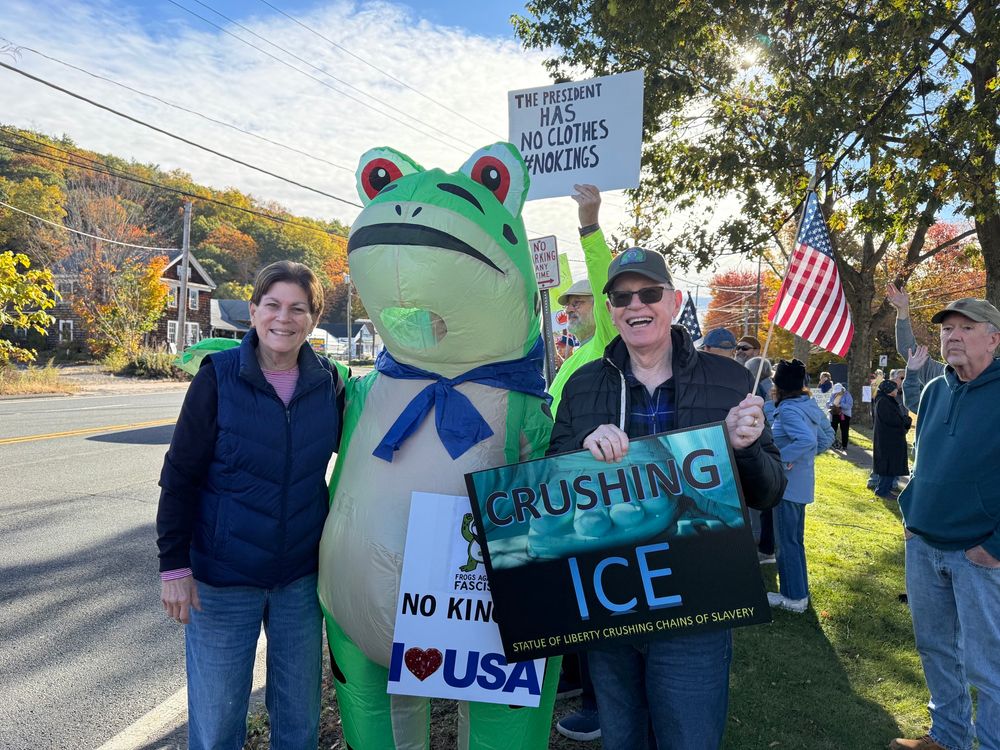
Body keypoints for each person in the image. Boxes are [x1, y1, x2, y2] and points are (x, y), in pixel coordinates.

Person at [549, 247, 786, 750]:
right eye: (621, 296)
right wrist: (581, 455)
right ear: (612, 310)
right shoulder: (583, 384)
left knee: (687, 737)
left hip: (696, 599)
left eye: (649, 293)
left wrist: (741, 450)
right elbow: (552, 478)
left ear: (674, 301)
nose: (636, 304)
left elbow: (769, 491)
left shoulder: (731, 382)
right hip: (610, 595)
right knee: (622, 738)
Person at [156, 261, 345, 750]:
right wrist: (174, 567)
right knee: (217, 726)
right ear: (254, 310)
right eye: (273, 305)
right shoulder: (217, 378)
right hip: (223, 578)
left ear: (313, 317)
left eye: (298, 308)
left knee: (298, 724)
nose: (284, 318)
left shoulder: (329, 384)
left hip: (298, 581)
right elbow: (180, 474)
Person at [891, 297, 1000, 750]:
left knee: (989, 665)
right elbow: (925, 460)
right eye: (945, 329)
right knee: (935, 650)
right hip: (924, 543)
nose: (951, 336)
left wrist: (995, 545)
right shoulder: (936, 389)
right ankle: (948, 737)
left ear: (994, 338)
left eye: (964, 328)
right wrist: (912, 513)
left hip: (981, 554)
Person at [547, 184, 617, 742]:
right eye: (566, 303)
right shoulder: (574, 357)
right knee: (571, 593)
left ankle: (599, 705)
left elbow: (602, 278)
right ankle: (573, 674)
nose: (571, 307)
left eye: (580, 300)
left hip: (600, 497)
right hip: (564, 487)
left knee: (598, 603)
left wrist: (589, 225)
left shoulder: (608, 346)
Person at [767, 359, 835, 613]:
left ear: (779, 385)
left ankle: (793, 597)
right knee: (793, 540)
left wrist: (783, 460)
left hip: (789, 486)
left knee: (787, 542)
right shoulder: (808, 405)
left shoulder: (787, 409)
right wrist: (802, 458)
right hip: (800, 483)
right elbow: (826, 437)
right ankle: (797, 592)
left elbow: (806, 440)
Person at [887, 282, 946, 398]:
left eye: (967, 328)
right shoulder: (942, 374)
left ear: (992, 339)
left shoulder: (992, 383)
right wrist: (902, 310)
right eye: (948, 329)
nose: (954, 336)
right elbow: (907, 349)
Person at [745, 356, 776, 564]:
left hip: (765, 450)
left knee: (764, 506)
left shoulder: (764, 390)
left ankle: (764, 545)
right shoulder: (769, 387)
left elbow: (769, 420)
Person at [871, 378, 912, 500]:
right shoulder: (884, 401)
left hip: (890, 438)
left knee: (890, 466)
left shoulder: (885, 400)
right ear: (889, 390)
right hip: (889, 439)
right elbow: (891, 420)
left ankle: (885, 488)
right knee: (889, 466)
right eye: (894, 388)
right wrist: (905, 421)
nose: (896, 389)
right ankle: (883, 490)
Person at [828, 382, 853, 449]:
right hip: (834, 413)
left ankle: (844, 445)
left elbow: (849, 406)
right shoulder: (833, 394)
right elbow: (828, 403)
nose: (836, 393)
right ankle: (832, 443)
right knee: (833, 429)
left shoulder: (847, 395)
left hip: (844, 415)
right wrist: (831, 405)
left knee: (844, 430)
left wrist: (840, 404)